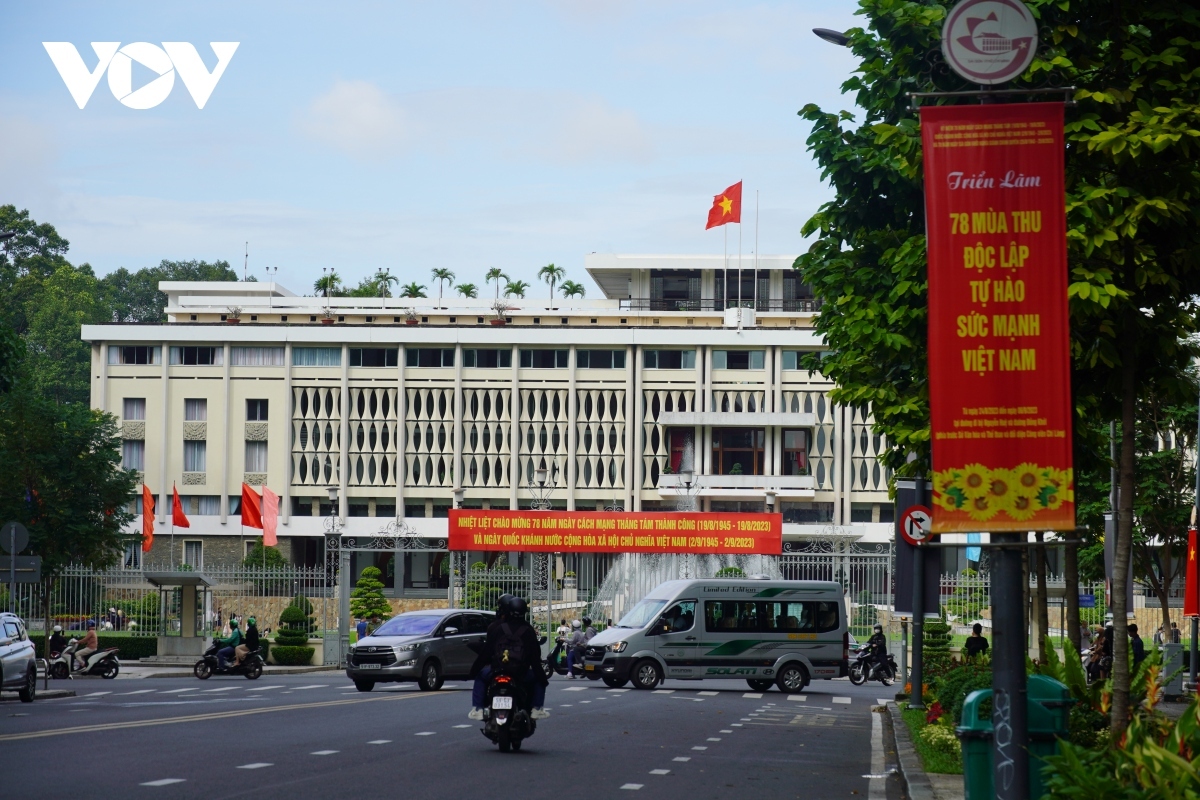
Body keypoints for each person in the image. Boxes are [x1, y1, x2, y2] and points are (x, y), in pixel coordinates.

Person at [468, 595, 549, 721]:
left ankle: (477, 709)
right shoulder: (528, 630)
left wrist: (473, 672)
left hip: (497, 670)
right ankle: (537, 709)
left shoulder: (498, 628)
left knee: (480, 676)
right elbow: (535, 656)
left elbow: (486, 652)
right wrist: (542, 677)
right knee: (538, 681)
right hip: (520, 672)